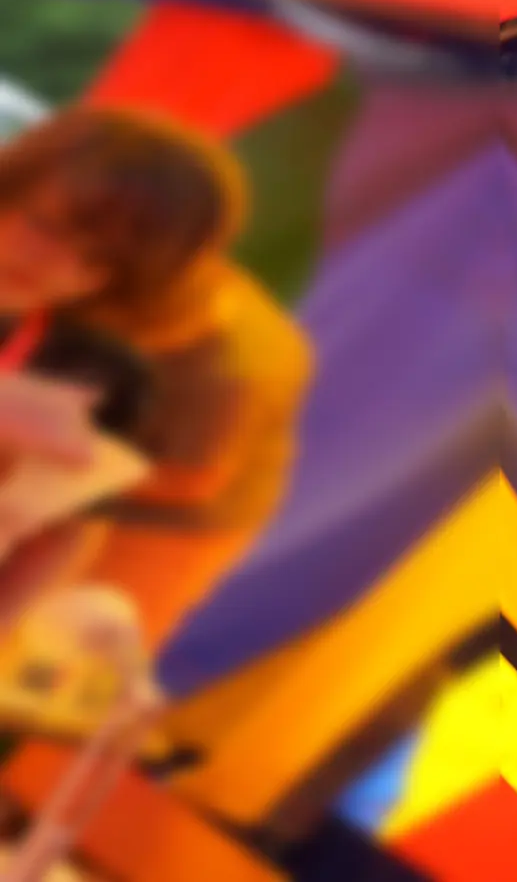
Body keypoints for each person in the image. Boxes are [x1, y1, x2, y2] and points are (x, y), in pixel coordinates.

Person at [0, 107, 313, 648]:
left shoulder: (98, 372)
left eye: (96, 262)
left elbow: (64, 533)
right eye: (44, 226)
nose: (53, 264)